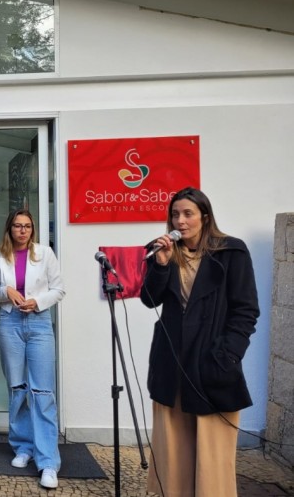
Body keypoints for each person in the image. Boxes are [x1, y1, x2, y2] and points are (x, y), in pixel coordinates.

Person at [140, 187, 259, 497]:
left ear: (204, 217)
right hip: (172, 363)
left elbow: (246, 310)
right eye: (175, 214)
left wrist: (227, 355)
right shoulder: (162, 251)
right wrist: (162, 265)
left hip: (213, 364)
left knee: (212, 458)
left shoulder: (231, 251)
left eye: (188, 214)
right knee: (174, 455)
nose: (180, 220)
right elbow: (148, 300)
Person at [0, 209, 65, 489]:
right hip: (9, 323)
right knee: (17, 388)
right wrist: (5, 291)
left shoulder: (45, 253)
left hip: (39, 323)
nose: (23, 230)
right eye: (18, 226)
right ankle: (23, 446)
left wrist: (37, 301)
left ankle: (47, 462)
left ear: (33, 229)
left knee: (42, 391)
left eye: (27, 226)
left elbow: (59, 289)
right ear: (10, 229)